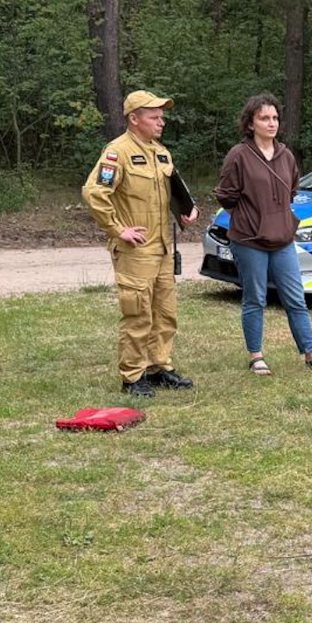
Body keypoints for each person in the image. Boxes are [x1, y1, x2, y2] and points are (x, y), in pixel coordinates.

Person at [213, 94, 312, 376]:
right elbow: (225, 195)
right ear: (250, 123)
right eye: (264, 118)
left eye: (274, 118)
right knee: (255, 297)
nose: (271, 123)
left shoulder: (286, 155)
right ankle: (255, 356)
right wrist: (250, 219)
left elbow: (291, 191)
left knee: (296, 298)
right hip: (249, 240)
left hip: (282, 238)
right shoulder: (239, 155)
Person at [82, 90, 198, 397]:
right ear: (134, 119)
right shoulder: (116, 152)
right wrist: (117, 229)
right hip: (136, 250)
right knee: (138, 313)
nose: (161, 122)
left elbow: (172, 192)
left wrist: (185, 212)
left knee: (165, 311)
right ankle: (133, 375)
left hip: (161, 247)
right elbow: (95, 193)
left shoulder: (161, 152)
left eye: (162, 117)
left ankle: (158, 366)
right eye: (154, 116)